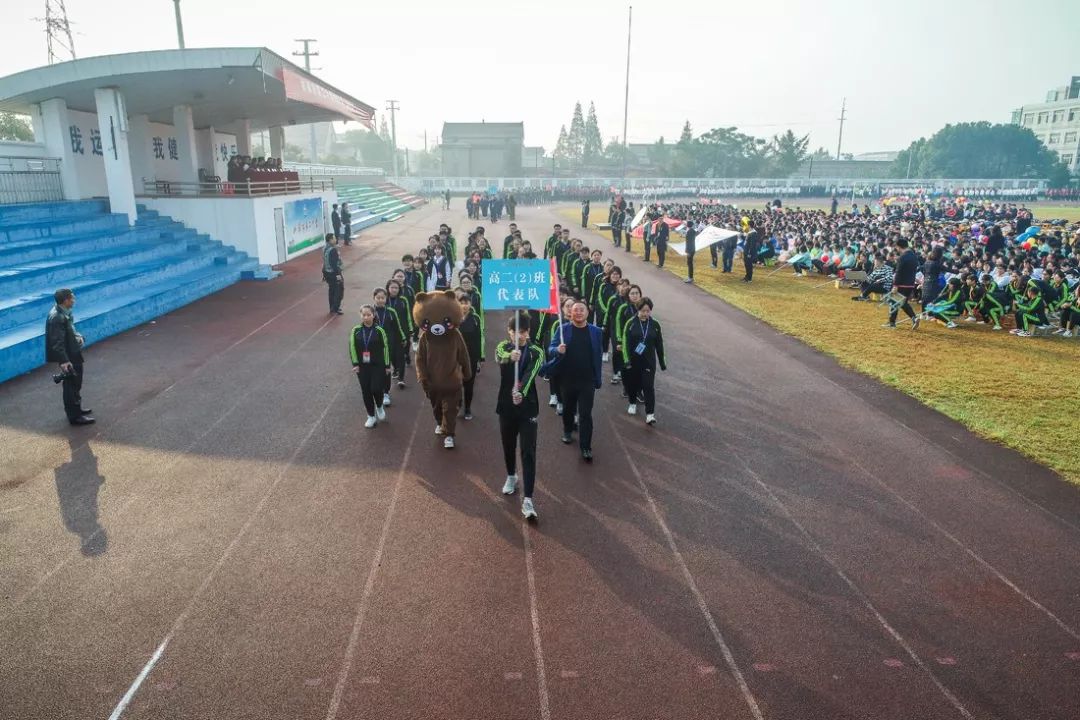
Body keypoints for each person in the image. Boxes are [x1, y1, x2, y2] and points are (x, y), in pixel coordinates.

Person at [495, 313, 545, 520]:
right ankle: (511, 475)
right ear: (510, 332)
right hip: (506, 406)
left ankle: (528, 499)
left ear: (528, 332)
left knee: (528, 451)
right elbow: (498, 357)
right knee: (508, 445)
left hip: (527, 407)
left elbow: (531, 373)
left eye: (523, 332)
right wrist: (509, 358)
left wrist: (521, 392)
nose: (520, 336)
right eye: (516, 332)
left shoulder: (536, 351)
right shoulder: (503, 347)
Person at [544, 300, 603, 463]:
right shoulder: (563, 330)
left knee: (585, 414)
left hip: (587, 380)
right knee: (568, 409)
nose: (578, 312)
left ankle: (586, 447)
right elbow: (550, 349)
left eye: (581, 310)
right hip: (567, 378)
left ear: (587, 313)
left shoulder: (596, 332)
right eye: (575, 310)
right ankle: (567, 430)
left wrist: (598, 377)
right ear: (570, 313)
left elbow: (598, 355)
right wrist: (557, 349)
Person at [46, 288, 93, 425]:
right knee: (71, 386)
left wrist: (78, 336)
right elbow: (57, 342)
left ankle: (77, 409)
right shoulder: (56, 317)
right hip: (69, 357)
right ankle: (75, 416)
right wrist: (64, 361)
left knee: (76, 383)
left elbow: (69, 331)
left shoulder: (63, 313)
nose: (74, 300)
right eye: (72, 298)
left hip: (72, 353)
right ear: (66, 300)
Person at [621, 297, 666, 425]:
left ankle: (650, 414)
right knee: (633, 384)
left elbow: (660, 344)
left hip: (649, 362)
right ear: (638, 310)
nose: (645, 313)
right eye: (643, 311)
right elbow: (625, 343)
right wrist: (626, 360)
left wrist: (662, 362)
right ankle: (632, 402)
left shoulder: (655, 324)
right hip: (633, 361)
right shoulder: (631, 323)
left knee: (648, 387)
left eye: (648, 311)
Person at [350, 305, 392, 428]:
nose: (366, 317)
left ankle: (379, 406)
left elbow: (385, 348)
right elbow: (352, 347)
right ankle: (371, 416)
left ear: (373, 315)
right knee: (366, 391)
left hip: (377, 365)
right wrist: (355, 364)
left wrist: (387, 365)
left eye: (369, 314)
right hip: (362, 367)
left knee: (376, 389)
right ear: (360, 316)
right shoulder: (356, 330)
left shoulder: (379, 330)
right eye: (364, 315)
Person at [456, 289, 484, 421]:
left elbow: (480, 338)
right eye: (461, 303)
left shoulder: (476, 318)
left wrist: (480, 357)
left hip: (471, 356)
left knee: (469, 383)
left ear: (470, 304)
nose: (464, 306)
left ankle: (467, 408)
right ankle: (458, 404)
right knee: (455, 383)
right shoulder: (452, 318)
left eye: (467, 303)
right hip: (455, 357)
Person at [884, 237, 919, 330]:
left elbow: (898, 272)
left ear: (899, 247)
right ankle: (914, 318)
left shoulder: (902, 257)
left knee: (894, 302)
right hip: (911, 284)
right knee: (903, 303)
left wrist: (895, 285)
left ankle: (892, 323)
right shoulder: (914, 256)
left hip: (901, 284)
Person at [322, 233, 344, 315]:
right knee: (339, 290)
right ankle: (336, 308)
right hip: (334, 273)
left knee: (331, 290)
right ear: (330, 240)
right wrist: (338, 275)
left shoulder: (324, 248)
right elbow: (333, 264)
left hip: (326, 272)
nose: (336, 239)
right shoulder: (333, 250)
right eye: (334, 238)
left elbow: (325, 261)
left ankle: (332, 307)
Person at [684, 219, 698, 283]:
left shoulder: (690, 231)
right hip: (692, 248)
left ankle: (690, 277)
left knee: (689, 263)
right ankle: (690, 276)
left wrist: (688, 251)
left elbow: (689, 242)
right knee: (689, 263)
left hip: (690, 249)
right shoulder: (691, 231)